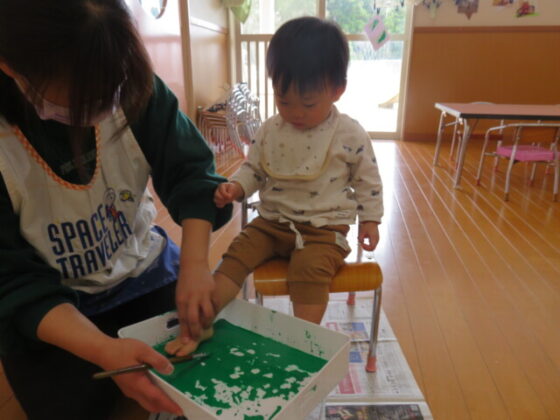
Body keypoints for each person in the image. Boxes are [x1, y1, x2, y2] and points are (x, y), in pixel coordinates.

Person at [0, 0, 231, 418]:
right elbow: (11, 279)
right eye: (85, 100)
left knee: (209, 357)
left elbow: (192, 173)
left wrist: (196, 265)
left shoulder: (130, 79)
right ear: (11, 67)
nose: (106, 109)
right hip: (51, 308)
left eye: (113, 92)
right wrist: (103, 349)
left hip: (142, 270)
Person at [197, 16, 384, 332]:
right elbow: (254, 169)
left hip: (324, 231)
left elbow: (368, 181)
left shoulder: (350, 133)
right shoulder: (270, 129)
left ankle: (302, 337)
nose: (296, 112)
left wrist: (370, 220)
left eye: (308, 104)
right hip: (271, 223)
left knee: (308, 272)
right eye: (284, 101)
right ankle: (201, 322)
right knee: (236, 254)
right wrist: (237, 187)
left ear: (337, 90)